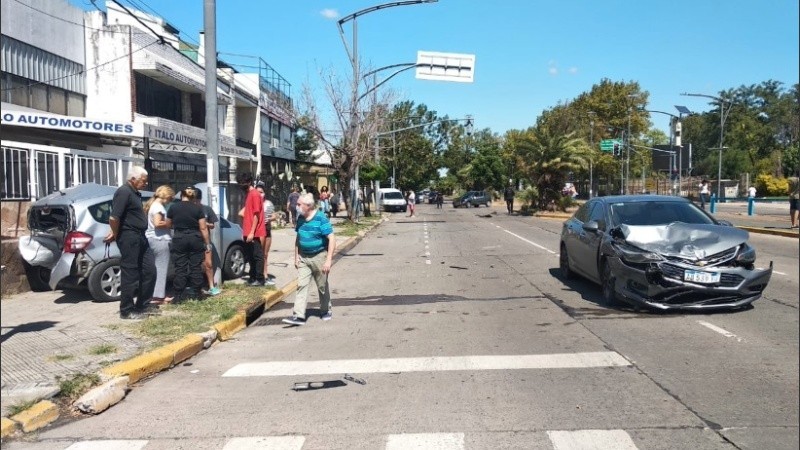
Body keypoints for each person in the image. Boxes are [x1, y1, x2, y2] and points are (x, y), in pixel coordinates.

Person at [104, 166, 157, 320]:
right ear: (133, 179)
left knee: (150, 270)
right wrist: (115, 233)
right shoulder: (124, 191)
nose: (146, 184)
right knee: (130, 273)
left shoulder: (134, 193)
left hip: (141, 236)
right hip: (129, 236)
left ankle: (143, 304)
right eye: (143, 181)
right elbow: (114, 217)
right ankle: (126, 310)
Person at [282, 193, 337, 326]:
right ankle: (299, 316)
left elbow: (332, 238)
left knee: (322, 286)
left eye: (300, 204)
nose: (297, 206)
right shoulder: (301, 219)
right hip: (304, 258)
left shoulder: (321, 218)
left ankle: (325, 310)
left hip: (319, 256)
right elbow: (298, 238)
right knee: (301, 285)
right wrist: (296, 256)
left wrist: (328, 260)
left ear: (309, 206)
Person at [167, 188, 210, 302]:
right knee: (195, 267)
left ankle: (178, 295)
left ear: (181, 195)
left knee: (180, 267)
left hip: (179, 238)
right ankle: (197, 293)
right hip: (195, 238)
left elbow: (168, 224)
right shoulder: (198, 208)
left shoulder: (173, 207)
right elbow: (203, 227)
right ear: (193, 197)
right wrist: (207, 243)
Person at [143, 185, 175, 305]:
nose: (170, 201)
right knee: (161, 268)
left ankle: (156, 294)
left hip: (152, 238)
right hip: (160, 239)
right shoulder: (158, 207)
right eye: (170, 199)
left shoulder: (152, 205)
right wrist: (170, 223)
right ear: (166, 196)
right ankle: (158, 296)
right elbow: (157, 223)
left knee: (155, 268)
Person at [237, 173, 266, 286]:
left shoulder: (254, 194)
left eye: (242, 183)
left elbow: (256, 215)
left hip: (254, 232)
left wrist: (251, 232)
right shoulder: (249, 194)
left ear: (249, 182)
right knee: (250, 255)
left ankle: (259, 278)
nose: (241, 185)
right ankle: (253, 277)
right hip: (248, 231)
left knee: (257, 256)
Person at [192, 187, 221, 296]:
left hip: (205, 241)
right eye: (193, 200)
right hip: (193, 240)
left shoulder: (206, 209)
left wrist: (203, 223)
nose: (195, 202)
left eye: (196, 200)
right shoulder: (189, 209)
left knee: (208, 264)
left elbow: (213, 225)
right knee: (194, 265)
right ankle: (196, 288)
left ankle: (211, 286)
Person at [255, 183, 277, 286]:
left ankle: (265, 275)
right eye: (258, 192)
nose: (260, 194)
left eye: (262, 192)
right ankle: (259, 275)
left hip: (267, 230)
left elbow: (274, 215)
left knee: (265, 254)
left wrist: (269, 219)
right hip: (258, 231)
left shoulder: (269, 204)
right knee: (259, 254)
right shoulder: (253, 203)